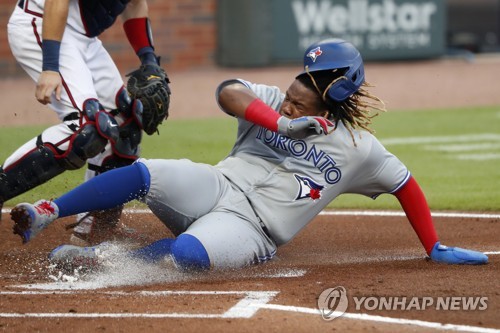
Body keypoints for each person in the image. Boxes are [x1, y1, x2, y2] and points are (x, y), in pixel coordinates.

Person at [10, 38, 488, 272]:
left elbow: (406, 184)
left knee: (188, 253)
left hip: (253, 228)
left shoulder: (361, 150)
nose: (289, 100)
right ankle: (46, 212)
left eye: (302, 99)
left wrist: (434, 246)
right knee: (145, 172)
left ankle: (110, 262)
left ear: (332, 97)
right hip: (219, 185)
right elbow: (228, 91)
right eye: (290, 94)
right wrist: (283, 120)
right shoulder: (274, 104)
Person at [1, 0, 170, 246]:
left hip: (83, 38)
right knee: (85, 130)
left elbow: (134, 3)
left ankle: (93, 236)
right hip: (42, 22)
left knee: (126, 126)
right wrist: (50, 67)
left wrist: (149, 60)